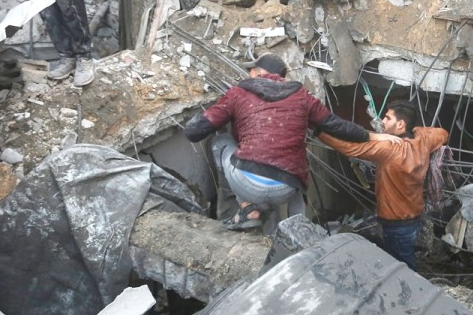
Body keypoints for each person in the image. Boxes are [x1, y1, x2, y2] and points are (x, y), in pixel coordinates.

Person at [183, 53, 381, 233]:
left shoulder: (238, 93)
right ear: (283, 77)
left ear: (259, 72)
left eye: (250, 71)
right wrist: (366, 135)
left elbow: (194, 132)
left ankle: (244, 208)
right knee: (294, 161)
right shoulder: (302, 96)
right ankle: (298, 229)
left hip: (247, 185)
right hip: (286, 190)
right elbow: (335, 124)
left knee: (221, 141)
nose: (248, 74)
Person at [320, 101, 449, 272]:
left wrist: (319, 133)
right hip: (413, 218)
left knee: (404, 269)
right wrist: (417, 132)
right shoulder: (423, 141)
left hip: (396, 223)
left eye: (388, 118)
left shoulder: (391, 147)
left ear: (400, 124)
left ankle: (410, 294)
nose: (382, 121)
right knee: (403, 260)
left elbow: (350, 148)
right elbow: (443, 133)